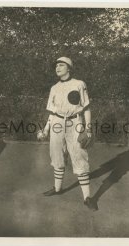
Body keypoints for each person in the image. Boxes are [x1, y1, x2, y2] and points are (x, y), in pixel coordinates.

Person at [37, 57, 97, 211]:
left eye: (61, 65)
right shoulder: (54, 88)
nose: (57, 67)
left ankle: (87, 198)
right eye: (56, 65)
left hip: (75, 123)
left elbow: (87, 109)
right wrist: (45, 130)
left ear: (69, 68)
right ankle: (57, 189)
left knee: (79, 156)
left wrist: (88, 129)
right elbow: (52, 113)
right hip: (57, 122)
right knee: (57, 156)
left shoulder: (79, 84)